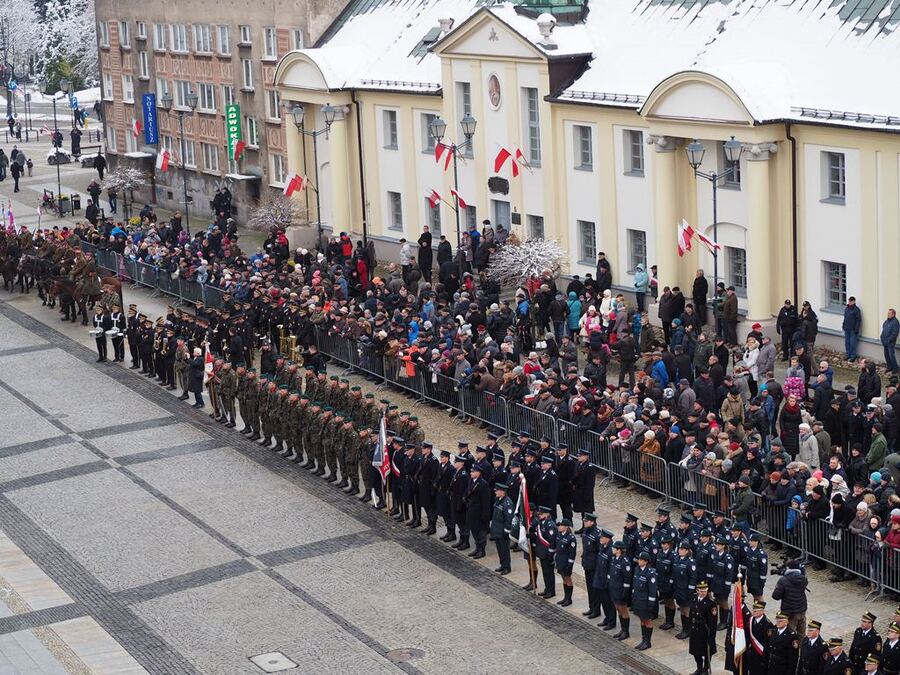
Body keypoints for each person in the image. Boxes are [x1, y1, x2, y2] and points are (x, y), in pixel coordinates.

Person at [689, 580, 718, 675]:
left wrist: (712, 636)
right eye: (701, 591)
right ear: (697, 591)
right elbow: (691, 614)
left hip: (705, 631)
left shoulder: (711, 603)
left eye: (705, 591)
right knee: (695, 651)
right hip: (695, 630)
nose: (703, 593)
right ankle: (699, 668)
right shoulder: (693, 599)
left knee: (706, 652)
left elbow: (713, 622)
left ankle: (705, 669)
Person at [772, 560, 808, 635]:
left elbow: (775, 596)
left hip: (790, 612)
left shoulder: (783, 580)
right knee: (801, 634)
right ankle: (801, 646)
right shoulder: (803, 579)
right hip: (802, 610)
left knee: (790, 634)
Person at [534, 505, 558, 599]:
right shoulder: (542, 523)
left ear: (547, 514)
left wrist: (550, 554)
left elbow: (552, 542)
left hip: (548, 553)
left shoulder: (550, 525)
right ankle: (547, 588)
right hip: (542, 552)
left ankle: (551, 591)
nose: (539, 515)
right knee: (545, 572)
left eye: (541, 514)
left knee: (549, 573)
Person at [490, 481, 514, 575]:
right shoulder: (498, 500)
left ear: (502, 492)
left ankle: (507, 567)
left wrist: (506, 530)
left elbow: (509, 519)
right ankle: (502, 565)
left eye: (497, 490)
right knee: (500, 549)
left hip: (503, 531)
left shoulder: (507, 503)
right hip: (497, 529)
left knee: (504, 550)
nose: (495, 492)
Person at [554, 518, 577, 607]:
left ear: (566, 527)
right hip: (560, 560)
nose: (559, 527)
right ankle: (565, 597)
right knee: (563, 579)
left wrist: (570, 564)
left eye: (561, 525)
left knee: (568, 579)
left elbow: (572, 553)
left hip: (566, 562)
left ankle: (569, 599)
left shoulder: (570, 538)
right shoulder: (559, 535)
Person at [844, 296, 863, 362]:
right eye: (849, 301)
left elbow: (858, 320)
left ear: (854, 302)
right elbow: (845, 317)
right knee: (847, 342)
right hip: (847, 328)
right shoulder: (847, 308)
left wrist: (856, 329)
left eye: (851, 301)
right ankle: (848, 354)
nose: (849, 302)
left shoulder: (856, 310)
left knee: (852, 343)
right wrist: (843, 325)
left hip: (853, 330)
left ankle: (853, 356)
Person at [882, 309, 899, 374]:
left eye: (889, 313)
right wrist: (882, 338)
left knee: (891, 355)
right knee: (886, 355)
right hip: (885, 342)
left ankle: (895, 369)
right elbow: (883, 329)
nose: (888, 314)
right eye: (888, 313)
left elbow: (894, 333)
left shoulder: (895, 322)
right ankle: (889, 367)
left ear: (893, 314)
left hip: (890, 343)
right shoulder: (887, 321)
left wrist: (889, 340)